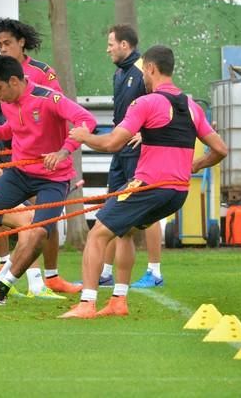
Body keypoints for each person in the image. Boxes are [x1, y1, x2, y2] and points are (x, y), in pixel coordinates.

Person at [60, 45, 228, 318]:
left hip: (149, 186)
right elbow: (220, 149)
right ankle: (118, 301)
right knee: (124, 233)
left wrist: (83, 137)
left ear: (150, 68)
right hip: (177, 193)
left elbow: (113, 142)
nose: (143, 79)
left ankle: (86, 303)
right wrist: (192, 165)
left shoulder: (146, 102)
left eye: (143, 73)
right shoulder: (192, 106)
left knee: (97, 234)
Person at [0, 18, 79, 295]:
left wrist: (62, 151)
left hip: (40, 158)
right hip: (2, 147)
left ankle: (48, 277)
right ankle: (7, 265)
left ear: (21, 42)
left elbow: (61, 110)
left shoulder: (43, 73)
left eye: (7, 43)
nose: (2, 49)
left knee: (44, 216)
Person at [0, 55, 97, 306]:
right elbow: (13, 127)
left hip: (53, 179)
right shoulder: (7, 102)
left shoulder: (48, 98)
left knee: (39, 233)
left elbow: (87, 120)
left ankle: (4, 285)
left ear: (13, 81)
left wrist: (64, 151)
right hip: (20, 174)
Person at [99, 24, 164, 289]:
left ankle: (154, 272)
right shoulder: (119, 73)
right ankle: (105, 272)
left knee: (146, 211)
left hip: (139, 152)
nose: (108, 49)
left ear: (125, 45)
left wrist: (146, 135)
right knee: (113, 205)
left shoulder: (143, 71)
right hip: (120, 149)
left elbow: (162, 102)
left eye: (111, 44)